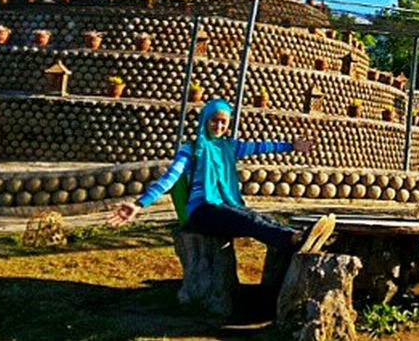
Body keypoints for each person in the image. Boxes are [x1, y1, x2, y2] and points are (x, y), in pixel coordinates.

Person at [107, 98, 335, 254]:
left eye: (223, 122)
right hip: (202, 213)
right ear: (205, 120)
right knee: (248, 220)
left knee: (254, 216)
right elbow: (170, 178)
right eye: (214, 120)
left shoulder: (230, 146)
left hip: (225, 206)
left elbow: (261, 147)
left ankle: (296, 238)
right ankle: (293, 239)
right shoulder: (192, 148)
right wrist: (139, 204)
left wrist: (291, 146)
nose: (218, 125)